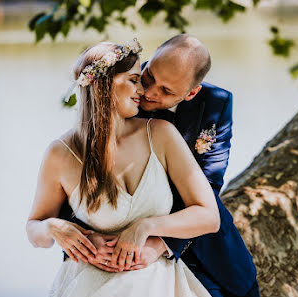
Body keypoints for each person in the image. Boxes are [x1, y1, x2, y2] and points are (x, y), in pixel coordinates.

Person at [59, 34, 259, 297]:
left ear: (192, 93)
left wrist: (160, 242)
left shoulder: (215, 104)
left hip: (199, 244)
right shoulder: (119, 92)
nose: (149, 93)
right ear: (150, 60)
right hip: (121, 252)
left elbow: (208, 185)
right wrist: (82, 237)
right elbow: (79, 174)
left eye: (167, 91)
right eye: (149, 76)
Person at [26, 39, 220, 297]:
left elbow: (209, 217)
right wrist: (53, 227)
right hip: (91, 285)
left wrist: (146, 227)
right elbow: (34, 229)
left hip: (159, 283)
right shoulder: (60, 153)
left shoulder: (161, 134)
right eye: (134, 79)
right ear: (103, 83)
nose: (144, 90)